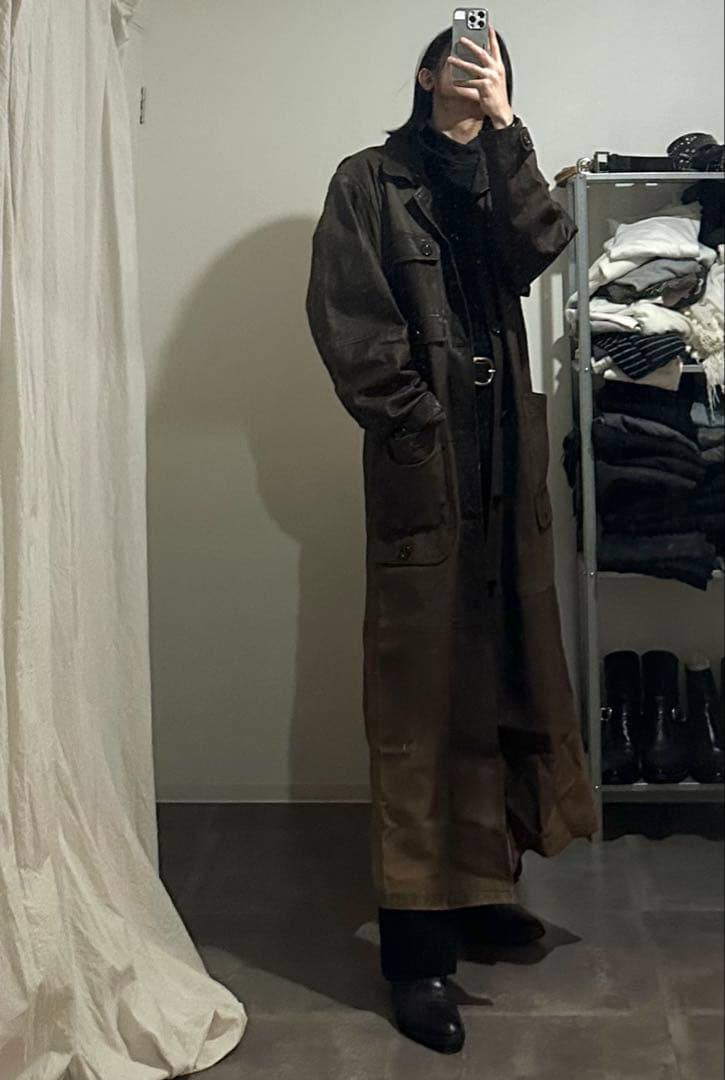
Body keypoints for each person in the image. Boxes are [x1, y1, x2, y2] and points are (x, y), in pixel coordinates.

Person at [306, 24, 597, 1055]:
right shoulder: (368, 182)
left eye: (493, 63)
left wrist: (509, 134)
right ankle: (415, 948)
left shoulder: (500, 171)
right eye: (460, 58)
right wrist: (419, 423)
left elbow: (541, 247)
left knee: (501, 676)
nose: (476, 72)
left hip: (505, 462)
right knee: (417, 698)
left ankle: (479, 891)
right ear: (426, 75)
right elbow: (349, 324)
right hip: (427, 468)